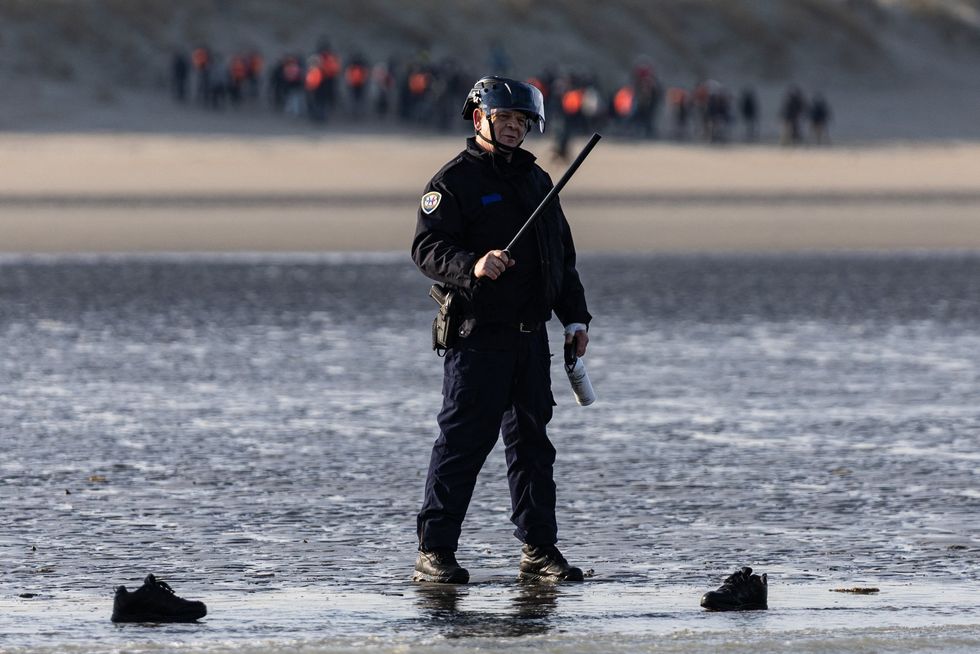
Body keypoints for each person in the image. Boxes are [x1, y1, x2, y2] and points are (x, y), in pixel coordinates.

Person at [411, 76, 592, 584]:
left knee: (533, 445)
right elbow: (426, 250)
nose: (513, 129)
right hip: (477, 336)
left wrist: (575, 319)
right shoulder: (453, 182)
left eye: (521, 122)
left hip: (529, 340)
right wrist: (472, 265)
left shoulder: (539, 183)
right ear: (479, 119)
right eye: (504, 120)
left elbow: (562, 260)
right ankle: (435, 551)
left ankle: (538, 550)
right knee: (464, 442)